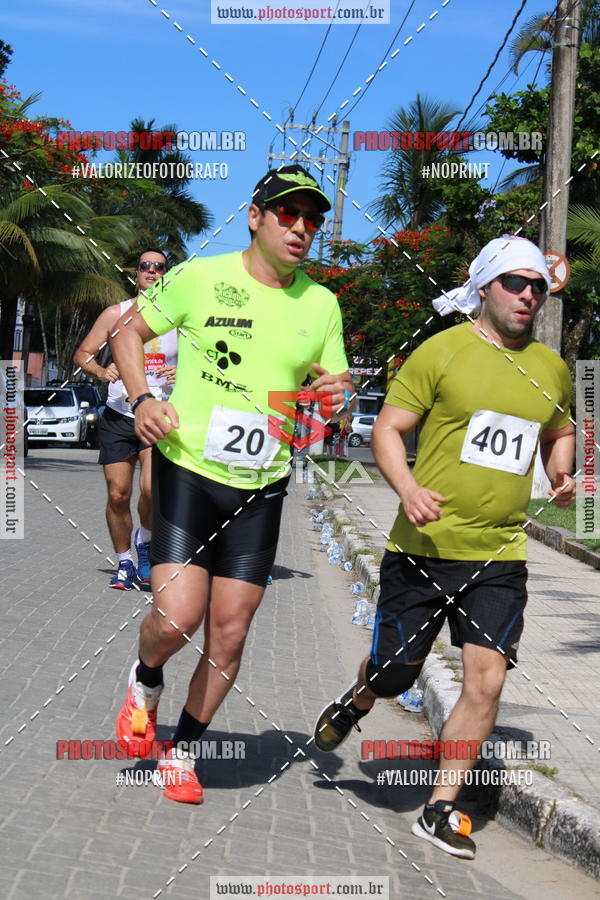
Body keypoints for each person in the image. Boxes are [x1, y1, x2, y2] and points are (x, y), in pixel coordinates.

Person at [313, 235, 575, 859]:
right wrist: (406, 488)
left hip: (499, 555)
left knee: (487, 681)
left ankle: (439, 808)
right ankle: (359, 698)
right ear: (484, 288)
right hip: (423, 548)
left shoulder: (551, 368)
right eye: (515, 283)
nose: (528, 295)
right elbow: (387, 429)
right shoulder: (442, 351)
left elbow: (559, 430)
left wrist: (563, 473)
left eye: (537, 286)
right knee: (394, 673)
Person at [110, 164, 354, 803]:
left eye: (313, 219)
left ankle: (183, 752)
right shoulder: (201, 277)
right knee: (177, 618)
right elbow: (128, 333)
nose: (301, 228)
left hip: (261, 484)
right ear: (255, 216)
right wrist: (142, 399)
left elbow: (335, 392)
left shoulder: (321, 304)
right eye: (288, 214)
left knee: (230, 632)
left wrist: (337, 395)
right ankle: (146, 677)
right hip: (189, 470)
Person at [74, 249, 177, 590]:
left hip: (157, 413)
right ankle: (124, 561)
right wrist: (101, 371)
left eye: (159, 267)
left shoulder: (177, 316)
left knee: (149, 490)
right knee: (118, 494)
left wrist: (183, 371)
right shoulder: (115, 314)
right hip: (119, 414)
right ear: (136, 273)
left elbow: (206, 357)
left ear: (166, 274)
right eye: (146, 266)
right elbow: (83, 354)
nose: (152, 271)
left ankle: (145, 543)